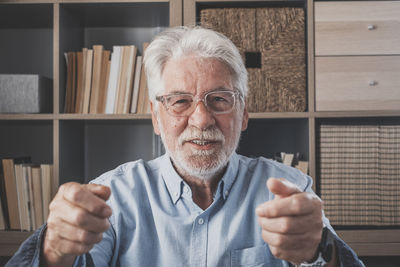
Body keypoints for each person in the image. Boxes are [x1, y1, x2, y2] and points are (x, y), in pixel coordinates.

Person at [7, 26, 364, 267]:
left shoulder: (288, 190)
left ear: (243, 114)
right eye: (180, 101)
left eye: (219, 99)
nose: (202, 119)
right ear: (155, 117)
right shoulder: (113, 196)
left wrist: (322, 251)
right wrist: (53, 250)